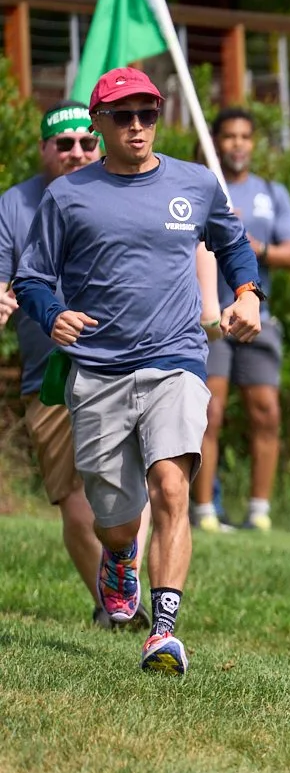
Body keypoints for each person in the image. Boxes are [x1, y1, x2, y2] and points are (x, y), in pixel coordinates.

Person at [13, 69, 264, 675]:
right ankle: (119, 556)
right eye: (123, 116)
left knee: (172, 487)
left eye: (147, 114)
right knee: (117, 519)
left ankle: (165, 632)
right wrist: (53, 315)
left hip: (175, 358)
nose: (136, 126)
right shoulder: (68, 197)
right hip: (97, 370)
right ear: (99, 124)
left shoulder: (195, 184)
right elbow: (32, 277)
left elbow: (232, 245)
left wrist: (248, 293)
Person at [0, 104, 112, 625]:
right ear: (43, 148)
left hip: (122, 360)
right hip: (50, 371)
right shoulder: (15, 205)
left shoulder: (122, 191)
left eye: (87, 143)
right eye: (63, 143)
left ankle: (137, 589)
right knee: (74, 497)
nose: (77, 153)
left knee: (141, 483)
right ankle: (113, 605)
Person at [192, 107, 290, 534]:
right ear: (215, 141)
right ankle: (204, 512)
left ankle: (259, 510)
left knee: (265, 412)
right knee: (210, 413)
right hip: (209, 317)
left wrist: (255, 249)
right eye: (229, 136)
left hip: (258, 317)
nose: (238, 144)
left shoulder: (271, 192)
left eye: (245, 136)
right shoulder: (202, 187)